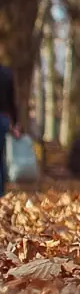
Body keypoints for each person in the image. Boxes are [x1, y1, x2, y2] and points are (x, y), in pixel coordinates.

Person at [0, 63, 15, 197]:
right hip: (3, 118)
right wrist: (15, 123)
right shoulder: (7, 73)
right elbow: (12, 101)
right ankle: (1, 192)